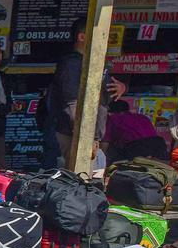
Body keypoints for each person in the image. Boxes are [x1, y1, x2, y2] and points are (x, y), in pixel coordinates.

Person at [44, 18, 127, 168]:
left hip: (89, 134)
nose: (104, 39)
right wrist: (87, 138)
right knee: (76, 177)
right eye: (99, 35)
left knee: (91, 175)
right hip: (73, 135)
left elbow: (106, 93)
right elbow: (72, 103)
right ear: (81, 37)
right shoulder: (72, 63)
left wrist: (122, 87)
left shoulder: (94, 61)